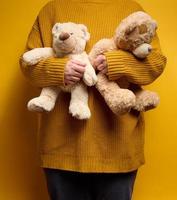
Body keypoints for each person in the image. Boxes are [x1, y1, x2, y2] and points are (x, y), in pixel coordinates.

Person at [19, 0, 167, 199]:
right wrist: (61, 70)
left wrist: (115, 62)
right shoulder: (51, 10)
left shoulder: (133, 9)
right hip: (61, 150)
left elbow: (156, 63)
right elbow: (28, 64)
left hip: (118, 148)